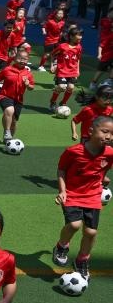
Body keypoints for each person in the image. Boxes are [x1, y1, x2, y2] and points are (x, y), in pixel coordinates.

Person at [52, 116, 113, 281]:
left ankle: (82, 260)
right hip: (72, 193)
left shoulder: (109, 153)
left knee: (91, 232)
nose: (109, 137)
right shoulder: (73, 151)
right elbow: (61, 171)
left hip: (93, 195)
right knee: (74, 224)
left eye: (112, 134)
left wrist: (102, 178)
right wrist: (62, 191)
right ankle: (61, 246)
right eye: (105, 131)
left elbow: (103, 169)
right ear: (91, 130)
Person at [0, 49, 34, 142]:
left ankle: (8, 140)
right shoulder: (7, 69)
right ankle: (7, 131)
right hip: (5, 96)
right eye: (20, 58)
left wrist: (28, 84)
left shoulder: (28, 73)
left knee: (13, 121)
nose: (22, 61)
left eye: (25, 59)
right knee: (9, 110)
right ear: (14, 59)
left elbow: (31, 87)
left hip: (18, 100)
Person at [49, 27, 84, 110]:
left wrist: (77, 70)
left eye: (81, 35)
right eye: (78, 35)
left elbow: (78, 59)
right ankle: (53, 101)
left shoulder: (79, 47)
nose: (80, 37)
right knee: (61, 87)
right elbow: (53, 54)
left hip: (72, 71)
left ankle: (63, 102)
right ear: (71, 37)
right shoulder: (62, 46)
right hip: (62, 71)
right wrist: (53, 65)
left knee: (71, 87)